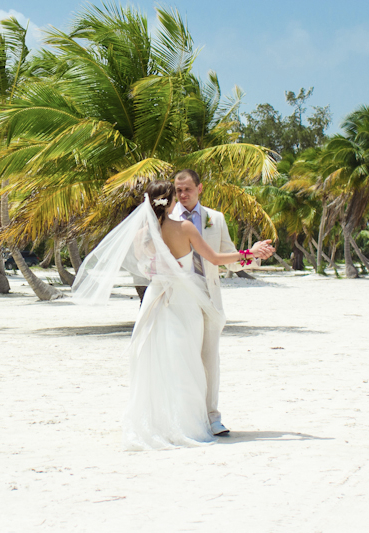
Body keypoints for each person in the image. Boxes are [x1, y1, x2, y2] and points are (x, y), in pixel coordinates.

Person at [72, 181, 273, 449]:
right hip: (183, 301)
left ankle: (158, 423)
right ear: (170, 202)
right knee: (187, 362)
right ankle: (189, 424)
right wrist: (250, 252)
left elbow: (146, 268)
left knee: (156, 361)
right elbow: (214, 258)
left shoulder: (140, 234)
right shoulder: (185, 228)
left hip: (155, 299)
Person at [170, 169, 273, 436]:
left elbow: (227, 255)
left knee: (209, 359)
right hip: (180, 300)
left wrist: (254, 253)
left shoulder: (215, 218)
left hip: (210, 296)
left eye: (188, 189)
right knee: (183, 357)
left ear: (200, 188)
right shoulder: (167, 219)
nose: (182, 195)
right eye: (178, 190)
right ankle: (187, 416)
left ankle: (213, 418)